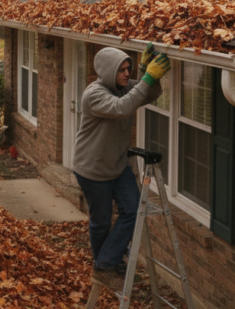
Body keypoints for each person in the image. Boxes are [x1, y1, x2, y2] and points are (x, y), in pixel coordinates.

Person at [73, 44, 171, 290]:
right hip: (93, 170)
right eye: (122, 70)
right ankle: (105, 265)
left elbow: (148, 93)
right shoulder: (94, 94)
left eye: (129, 69)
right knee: (101, 222)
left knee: (133, 210)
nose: (127, 74)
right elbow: (122, 107)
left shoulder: (124, 87)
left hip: (118, 166)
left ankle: (106, 263)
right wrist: (146, 77)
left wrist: (146, 70)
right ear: (107, 72)